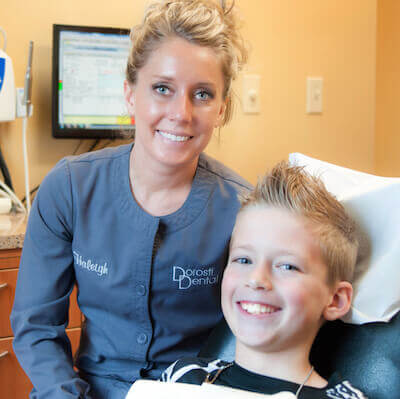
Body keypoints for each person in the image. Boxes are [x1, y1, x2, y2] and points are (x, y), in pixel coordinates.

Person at [10, 1, 250, 398]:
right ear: (129, 94)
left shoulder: (243, 209)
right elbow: (36, 328)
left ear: (222, 109)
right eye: (162, 88)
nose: (181, 113)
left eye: (203, 94)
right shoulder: (69, 188)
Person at [160, 162, 367, 398]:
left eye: (287, 266)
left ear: (336, 300)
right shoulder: (182, 379)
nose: (257, 279)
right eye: (244, 260)